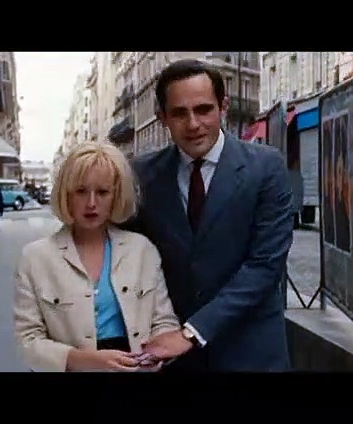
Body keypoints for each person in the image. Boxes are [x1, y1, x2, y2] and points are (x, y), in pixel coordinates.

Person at [122, 59, 295, 371]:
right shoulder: (140, 175)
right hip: (171, 357)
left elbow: (265, 265)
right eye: (179, 113)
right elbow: (122, 254)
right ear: (162, 117)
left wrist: (193, 332)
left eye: (203, 109)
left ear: (223, 107)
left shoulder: (266, 168)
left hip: (251, 352)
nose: (193, 124)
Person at [13, 141, 181, 372]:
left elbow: (164, 321)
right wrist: (83, 360)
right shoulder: (35, 258)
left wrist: (156, 351)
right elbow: (28, 340)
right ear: (66, 194)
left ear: (116, 195)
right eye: (81, 191)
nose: (91, 203)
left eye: (102, 192)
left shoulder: (142, 250)